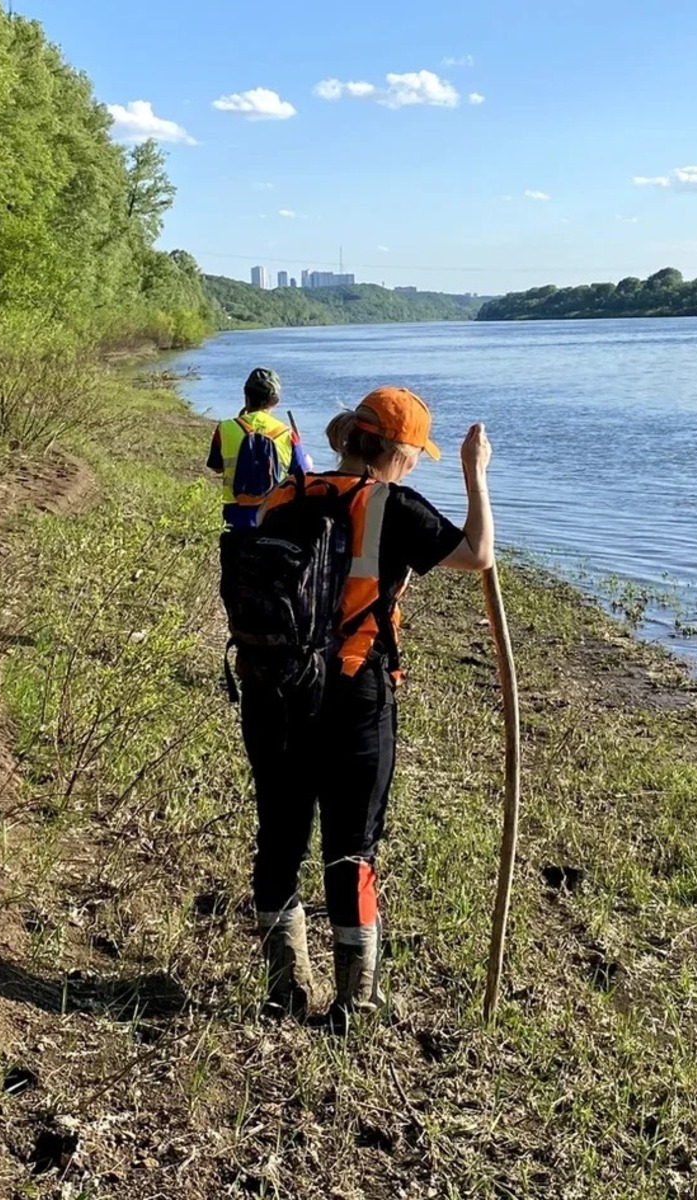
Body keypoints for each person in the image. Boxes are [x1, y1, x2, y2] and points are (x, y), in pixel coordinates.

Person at [240, 385, 494, 1030]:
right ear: (398, 450)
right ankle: (354, 1004)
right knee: (351, 848)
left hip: (274, 689)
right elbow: (478, 556)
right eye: (416, 453)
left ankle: (285, 989)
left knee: (280, 837)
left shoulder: (283, 495)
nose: (415, 464)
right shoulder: (391, 503)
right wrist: (475, 476)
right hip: (355, 692)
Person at [207, 367, 313, 528]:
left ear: (246, 396)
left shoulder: (225, 427)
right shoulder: (287, 433)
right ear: (275, 401)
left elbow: (216, 467)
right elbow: (300, 474)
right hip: (274, 511)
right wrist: (307, 460)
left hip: (235, 511)